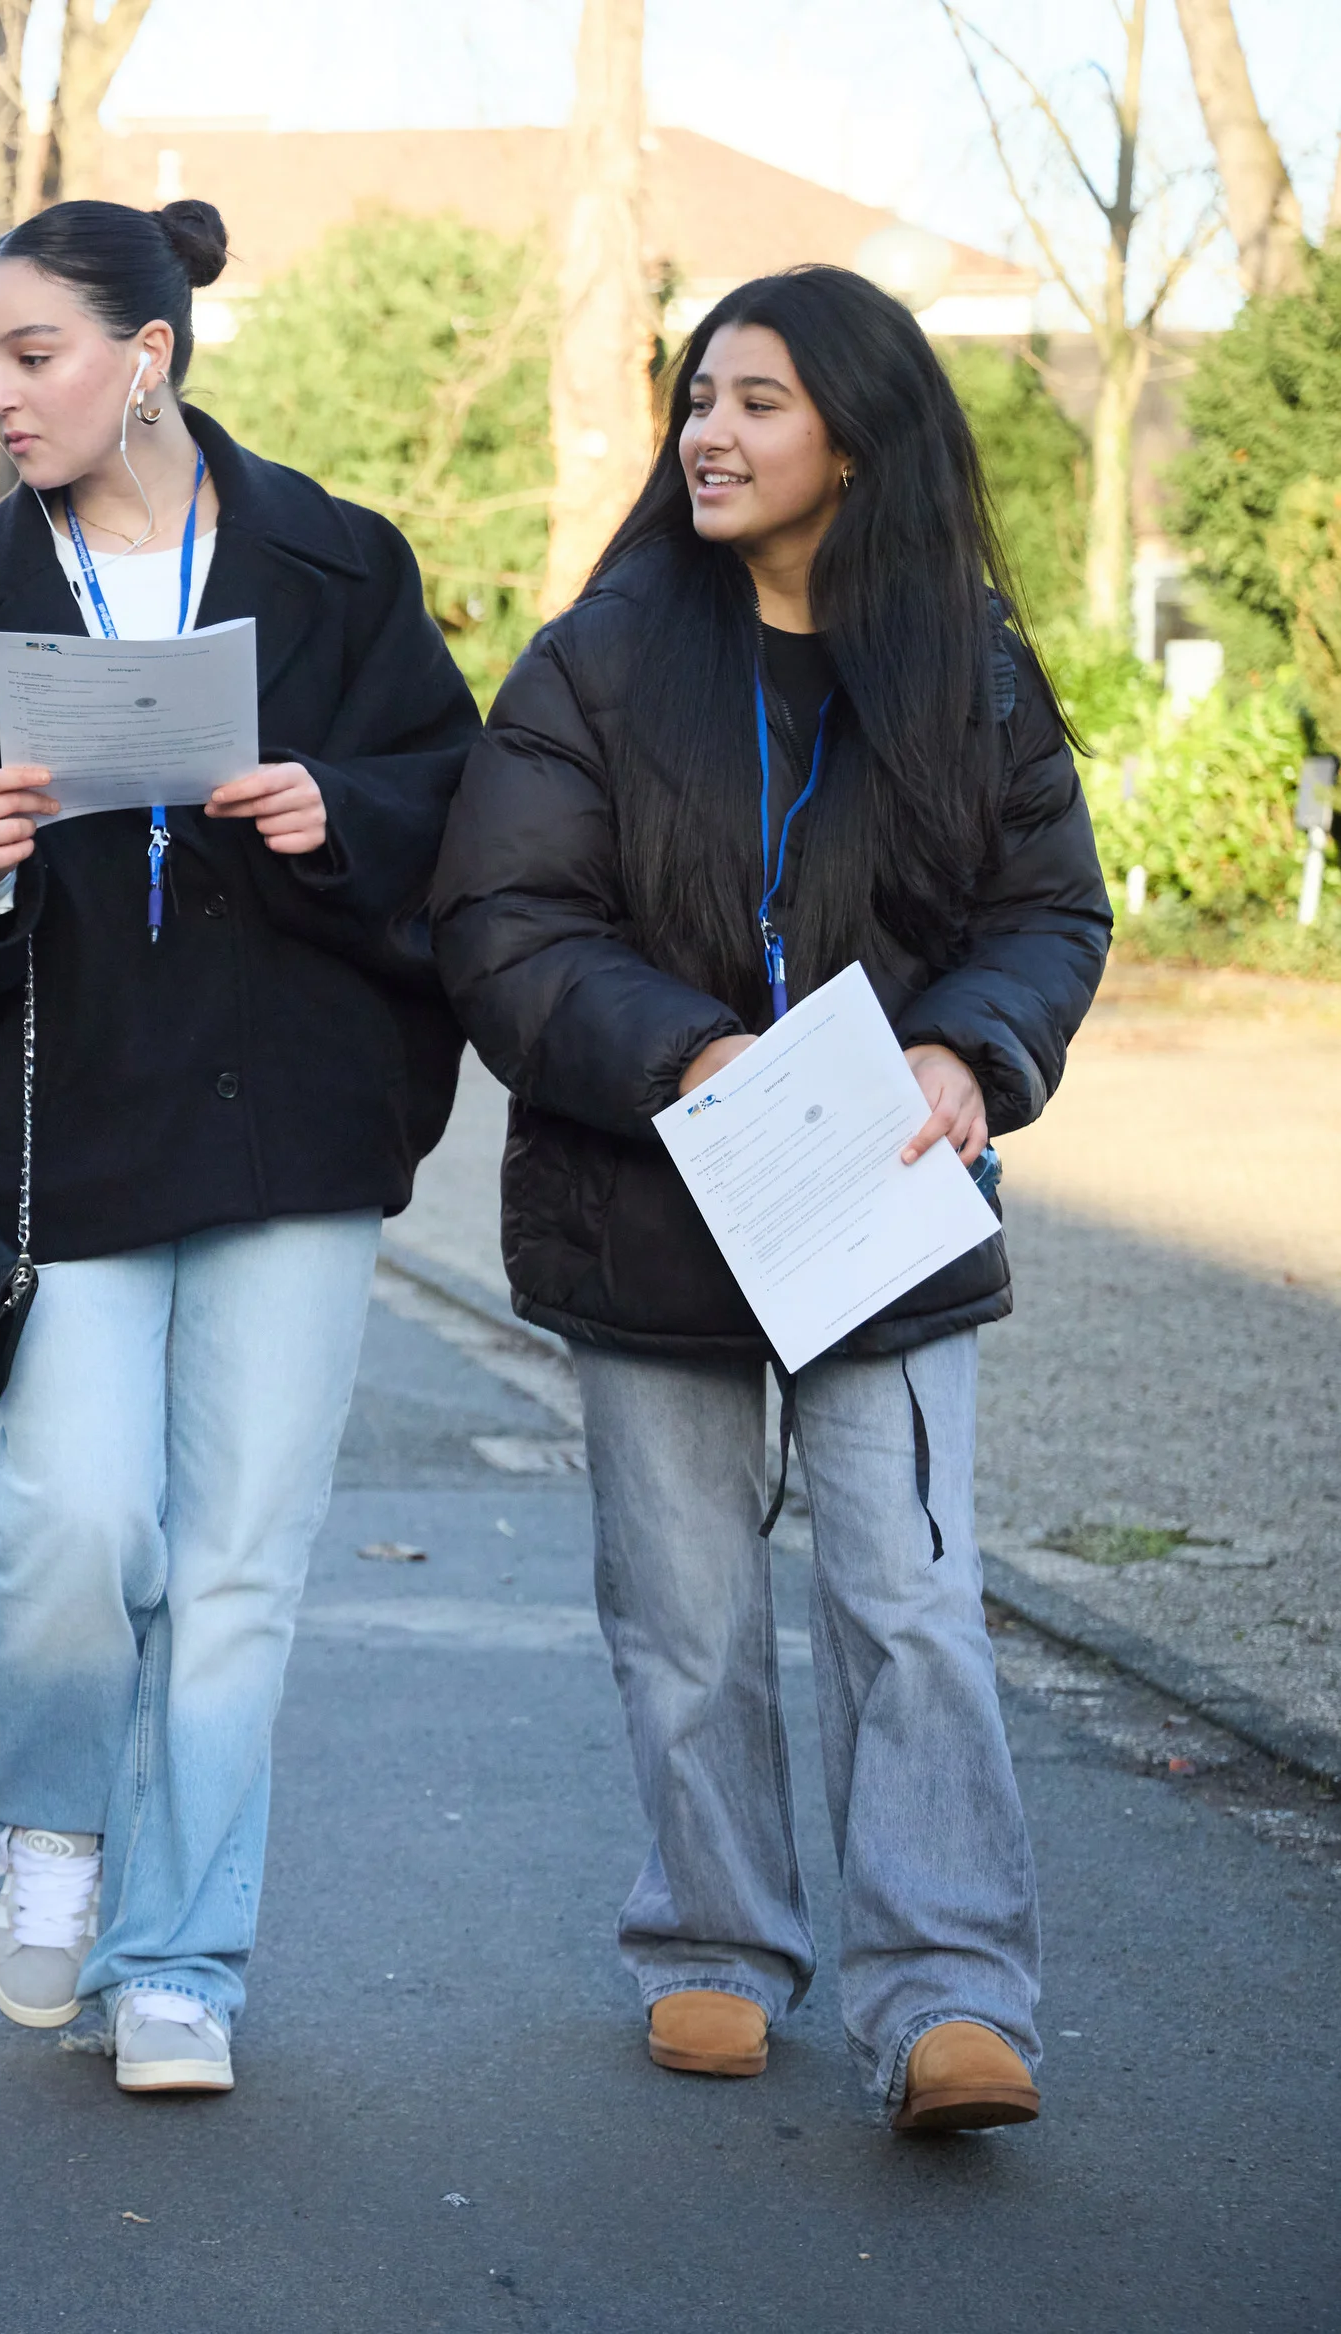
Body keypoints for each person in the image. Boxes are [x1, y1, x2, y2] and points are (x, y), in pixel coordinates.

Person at [430, 265, 1107, 2134]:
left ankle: (950, 1990)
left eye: (757, 403)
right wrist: (689, 1056)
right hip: (652, 1196)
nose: (709, 435)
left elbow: (1050, 910)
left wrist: (975, 1051)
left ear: (857, 441)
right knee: (688, 1611)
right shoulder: (597, 658)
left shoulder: (966, 662)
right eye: (697, 400)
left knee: (911, 1602)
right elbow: (502, 921)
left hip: (885, 1204)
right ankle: (717, 1942)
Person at [0, 199, 480, 2095]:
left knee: (241, 1558)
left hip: (296, 1112)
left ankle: (184, 1956)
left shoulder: (337, 558)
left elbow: (453, 793)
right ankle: (56, 1820)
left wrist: (336, 810)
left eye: (30, 356)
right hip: (71, 1115)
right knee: (74, 1517)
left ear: (144, 355)